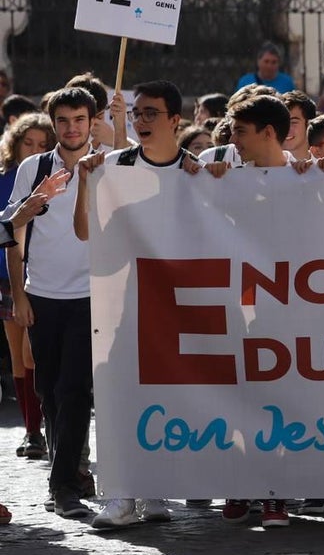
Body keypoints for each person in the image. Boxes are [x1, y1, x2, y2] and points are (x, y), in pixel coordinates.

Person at [74, 80, 197, 528]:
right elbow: (86, 233)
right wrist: (86, 184)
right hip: (127, 302)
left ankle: (156, 489)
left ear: (175, 120)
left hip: (183, 305)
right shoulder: (114, 166)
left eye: (151, 113)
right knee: (120, 394)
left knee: (171, 396)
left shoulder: (197, 170)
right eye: (136, 113)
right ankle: (122, 495)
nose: (141, 121)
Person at [6, 86, 106, 518]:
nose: (71, 128)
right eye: (63, 120)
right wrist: (19, 295)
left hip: (91, 296)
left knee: (76, 390)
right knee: (48, 391)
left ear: (92, 121)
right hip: (42, 296)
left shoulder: (107, 164)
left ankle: (63, 484)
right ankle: (65, 476)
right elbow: (12, 232)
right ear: (53, 124)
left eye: (79, 119)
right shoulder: (34, 168)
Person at [0, 113, 55, 461]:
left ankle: (41, 427)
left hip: (41, 275)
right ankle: (32, 431)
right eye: (28, 142)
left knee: (31, 353)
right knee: (18, 356)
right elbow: (6, 227)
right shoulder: (4, 178)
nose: (33, 150)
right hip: (6, 275)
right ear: (15, 144)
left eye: (41, 144)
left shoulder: (56, 178)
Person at [281, 90, 317, 162]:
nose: (286, 128)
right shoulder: (261, 166)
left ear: (309, 125)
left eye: (293, 122)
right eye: (281, 122)